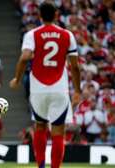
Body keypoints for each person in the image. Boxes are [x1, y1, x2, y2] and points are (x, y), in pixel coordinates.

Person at [9, 2, 81, 168]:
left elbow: (24, 57)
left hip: (38, 89)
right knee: (58, 131)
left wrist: (17, 79)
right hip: (59, 88)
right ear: (56, 15)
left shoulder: (32, 34)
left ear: (39, 16)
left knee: (40, 126)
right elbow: (75, 67)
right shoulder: (67, 35)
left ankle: (40, 166)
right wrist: (77, 90)